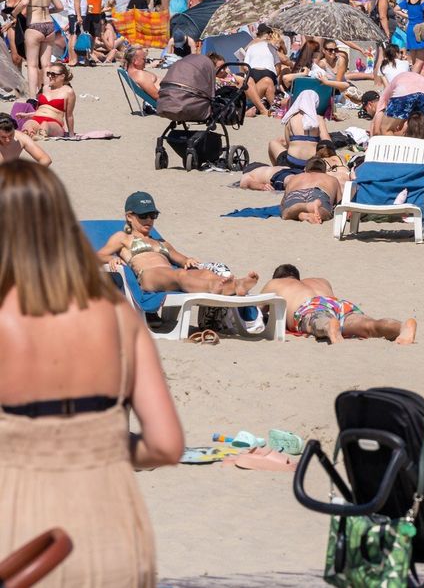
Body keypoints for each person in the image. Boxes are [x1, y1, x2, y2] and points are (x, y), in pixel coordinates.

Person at [0, 161, 183, 586]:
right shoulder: (118, 316)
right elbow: (166, 445)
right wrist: (98, 446)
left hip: (24, 535)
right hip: (113, 528)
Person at [97, 191, 259, 295]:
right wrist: (111, 258)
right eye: (143, 216)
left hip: (169, 275)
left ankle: (236, 285)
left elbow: (180, 259)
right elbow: (97, 256)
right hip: (148, 277)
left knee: (204, 273)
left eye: (153, 215)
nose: (149, 220)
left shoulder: (161, 242)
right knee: (180, 274)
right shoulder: (123, 238)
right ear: (129, 216)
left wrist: (188, 260)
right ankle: (216, 288)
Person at [263, 264, 416, 345]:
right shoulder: (320, 281)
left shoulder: (275, 283)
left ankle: (329, 326)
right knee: (370, 325)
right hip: (337, 303)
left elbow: (257, 311)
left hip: (310, 306)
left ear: (278, 278)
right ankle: (401, 327)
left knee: (318, 321)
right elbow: (327, 304)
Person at [269, 89, 329, 169]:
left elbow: (288, 144)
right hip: (313, 164)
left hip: (292, 162)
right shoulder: (318, 119)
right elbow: (327, 142)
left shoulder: (291, 119)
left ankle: (279, 170)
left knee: (272, 143)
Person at [279, 159, 343, 224]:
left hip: (296, 193)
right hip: (319, 192)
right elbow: (340, 204)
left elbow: (282, 204)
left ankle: (302, 209)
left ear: (305, 169)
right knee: (326, 212)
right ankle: (317, 211)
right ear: (325, 170)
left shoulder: (294, 178)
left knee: (285, 213)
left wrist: (284, 210)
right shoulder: (332, 179)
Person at [21, 62, 75, 138]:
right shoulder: (45, 88)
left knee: (45, 125)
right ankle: (32, 135)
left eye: (53, 74)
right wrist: (28, 115)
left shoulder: (68, 91)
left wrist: (71, 134)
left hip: (54, 122)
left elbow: (69, 115)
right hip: (36, 119)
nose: (49, 76)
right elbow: (41, 109)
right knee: (28, 125)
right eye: (48, 73)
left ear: (62, 76)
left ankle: (39, 136)